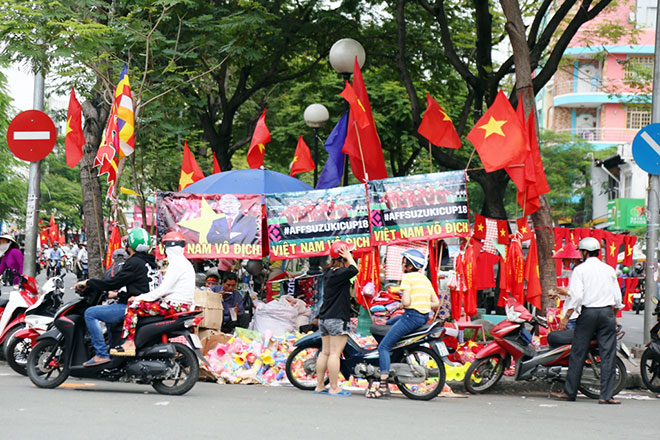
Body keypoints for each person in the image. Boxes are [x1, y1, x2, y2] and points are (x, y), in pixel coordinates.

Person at [552, 237, 623, 404]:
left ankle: (570, 392)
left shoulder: (580, 270)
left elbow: (576, 297)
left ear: (584, 252)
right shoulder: (609, 269)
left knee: (578, 352)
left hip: (588, 314)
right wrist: (613, 317)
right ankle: (606, 396)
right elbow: (618, 298)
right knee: (608, 354)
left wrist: (567, 317)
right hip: (607, 313)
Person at [77, 228, 159, 367]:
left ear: (131, 245)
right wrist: (117, 294)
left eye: (127, 242)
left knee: (90, 313)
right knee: (109, 316)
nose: (125, 245)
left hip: (133, 307)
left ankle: (101, 354)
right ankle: (113, 351)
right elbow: (140, 286)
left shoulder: (133, 263)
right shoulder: (150, 263)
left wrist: (88, 282)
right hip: (147, 304)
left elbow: (112, 283)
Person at [367, 249, 439, 399]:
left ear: (410, 265)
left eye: (404, 261)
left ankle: (382, 386)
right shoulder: (425, 279)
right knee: (387, 324)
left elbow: (406, 302)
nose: (402, 264)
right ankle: (390, 359)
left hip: (411, 316)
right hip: (423, 317)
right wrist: (421, 303)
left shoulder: (407, 278)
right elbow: (436, 303)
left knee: (383, 346)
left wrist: (402, 304)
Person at [111, 231, 195, 357]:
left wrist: (139, 298)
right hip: (181, 305)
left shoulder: (176, 264)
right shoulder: (185, 263)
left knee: (133, 307)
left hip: (174, 306)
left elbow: (162, 290)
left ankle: (129, 343)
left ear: (166, 248)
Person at [314, 241, 358, 397]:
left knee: (325, 352)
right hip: (337, 318)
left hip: (325, 318)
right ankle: (333, 387)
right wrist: (347, 256)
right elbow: (355, 269)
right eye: (349, 254)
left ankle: (320, 386)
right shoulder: (340, 273)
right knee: (334, 353)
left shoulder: (328, 273)